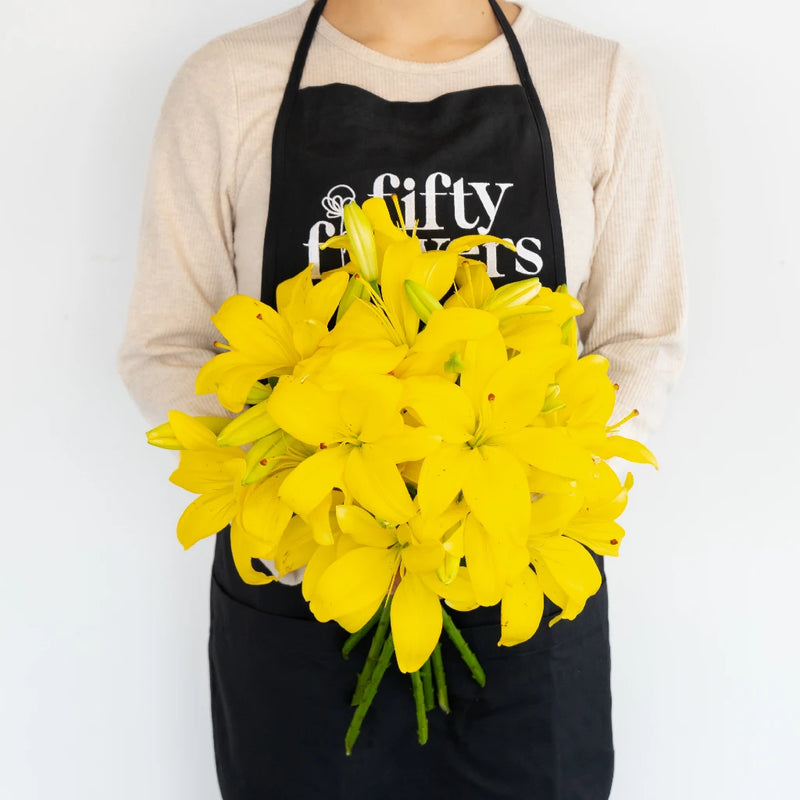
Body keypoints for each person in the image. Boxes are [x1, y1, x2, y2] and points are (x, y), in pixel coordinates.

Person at [118, 0, 687, 797]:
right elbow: (166, 346)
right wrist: (313, 511)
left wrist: (512, 494)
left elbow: (640, 344)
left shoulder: (596, 81)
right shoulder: (229, 80)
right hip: (300, 587)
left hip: (522, 578)